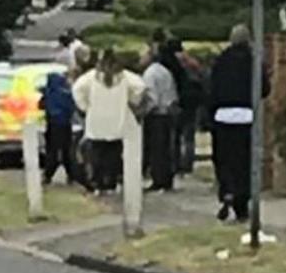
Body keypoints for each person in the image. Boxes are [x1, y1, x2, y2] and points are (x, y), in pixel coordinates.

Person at [208, 25, 270, 222]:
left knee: (223, 158)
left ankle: (226, 190)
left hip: (222, 115)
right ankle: (241, 200)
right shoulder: (254, 62)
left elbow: (211, 88)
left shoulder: (220, 61)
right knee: (243, 160)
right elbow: (264, 88)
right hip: (245, 115)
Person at [73, 48, 146, 195]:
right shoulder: (124, 77)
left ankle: (99, 184)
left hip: (96, 123)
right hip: (117, 123)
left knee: (97, 156)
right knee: (114, 155)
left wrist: (85, 106)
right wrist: (131, 100)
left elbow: (77, 89)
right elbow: (140, 86)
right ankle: (111, 183)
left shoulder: (91, 77)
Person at [142, 48, 179, 192]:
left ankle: (159, 179)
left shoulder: (149, 74)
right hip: (168, 112)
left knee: (156, 149)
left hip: (157, 114)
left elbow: (152, 98)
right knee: (165, 148)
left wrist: (143, 112)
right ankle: (166, 178)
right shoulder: (165, 71)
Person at [167, 39, 204, 173]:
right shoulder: (190, 62)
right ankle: (188, 163)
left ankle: (176, 163)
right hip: (192, 102)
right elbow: (201, 74)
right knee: (189, 134)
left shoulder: (169, 61)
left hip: (178, 100)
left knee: (175, 135)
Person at [40, 71, 77, 185]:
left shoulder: (49, 93)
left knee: (52, 151)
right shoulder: (66, 94)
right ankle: (71, 175)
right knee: (66, 151)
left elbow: (41, 105)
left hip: (52, 125)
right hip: (65, 125)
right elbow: (72, 107)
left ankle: (48, 175)